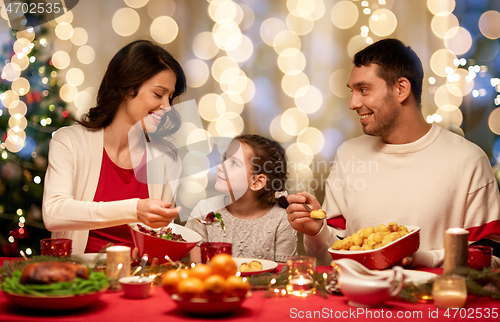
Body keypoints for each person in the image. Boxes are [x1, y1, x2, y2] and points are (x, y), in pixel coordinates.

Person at [286, 38, 500, 268]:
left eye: (364, 90)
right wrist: (317, 230)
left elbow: (490, 256)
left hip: (434, 302)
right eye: (353, 91)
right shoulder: (348, 154)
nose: (353, 103)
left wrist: (423, 259)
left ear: (401, 89)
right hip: (359, 302)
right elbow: (335, 256)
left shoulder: (468, 160)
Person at [42, 40, 187, 254]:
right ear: (127, 89)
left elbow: (160, 237)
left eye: (170, 97)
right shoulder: (69, 142)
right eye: (158, 94)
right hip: (79, 278)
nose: (167, 107)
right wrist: (135, 209)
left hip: (137, 279)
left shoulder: (167, 161)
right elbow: (54, 213)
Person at [186, 134, 298, 262]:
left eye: (234, 163)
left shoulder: (282, 220)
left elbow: (282, 277)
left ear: (257, 182)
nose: (220, 166)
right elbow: (197, 270)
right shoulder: (203, 210)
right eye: (225, 158)